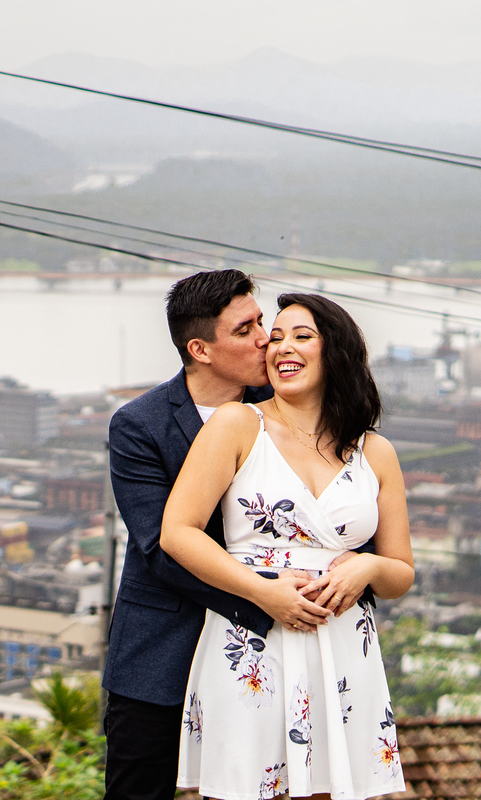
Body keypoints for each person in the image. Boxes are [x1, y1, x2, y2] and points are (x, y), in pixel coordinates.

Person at [103, 270, 352, 800]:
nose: (267, 337)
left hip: (274, 650)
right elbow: (159, 548)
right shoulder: (139, 425)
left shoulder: (287, 400)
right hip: (163, 648)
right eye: (246, 330)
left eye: (262, 320)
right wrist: (266, 595)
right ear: (201, 349)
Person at [161, 293, 413, 800]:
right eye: (275, 337)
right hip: (252, 637)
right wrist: (263, 591)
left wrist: (365, 568)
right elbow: (177, 533)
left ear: (335, 352)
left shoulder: (375, 452)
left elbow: (401, 572)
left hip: (342, 646)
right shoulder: (238, 424)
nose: (281, 347)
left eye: (301, 336)